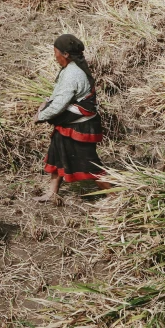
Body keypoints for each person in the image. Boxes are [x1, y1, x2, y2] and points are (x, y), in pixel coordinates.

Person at [33, 34, 111, 202]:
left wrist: (41, 115)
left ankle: (115, 195)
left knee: (89, 164)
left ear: (65, 54)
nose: (55, 57)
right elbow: (58, 96)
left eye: (56, 53)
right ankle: (52, 192)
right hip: (70, 123)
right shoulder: (71, 69)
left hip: (80, 126)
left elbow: (60, 104)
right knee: (58, 153)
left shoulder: (72, 74)